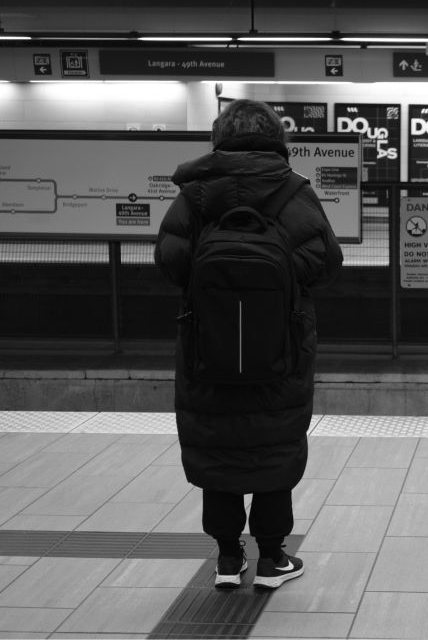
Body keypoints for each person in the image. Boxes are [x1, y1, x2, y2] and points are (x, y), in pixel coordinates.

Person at [154, 99, 343, 589]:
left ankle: (225, 557)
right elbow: (325, 262)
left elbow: (170, 262)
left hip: (207, 346)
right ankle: (273, 558)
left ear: (219, 136)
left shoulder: (193, 195)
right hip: (280, 346)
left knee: (217, 446)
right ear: (277, 138)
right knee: (272, 444)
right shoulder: (292, 192)